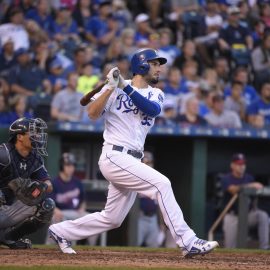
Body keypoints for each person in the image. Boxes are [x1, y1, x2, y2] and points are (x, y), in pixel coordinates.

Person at [48, 48, 218, 257]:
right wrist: (111, 88)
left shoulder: (157, 93)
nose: (159, 69)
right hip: (114, 155)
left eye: (159, 65)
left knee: (112, 218)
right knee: (161, 184)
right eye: (154, 64)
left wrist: (123, 88)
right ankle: (188, 241)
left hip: (133, 159)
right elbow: (91, 113)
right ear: (141, 65)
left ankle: (60, 230)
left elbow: (152, 110)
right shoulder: (116, 89)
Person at [0, 117, 55, 249]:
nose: (37, 135)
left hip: (9, 209)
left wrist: (40, 187)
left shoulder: (35, 158)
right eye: (33, 132)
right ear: (19, 136)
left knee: (47, 205)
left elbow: (49, 185)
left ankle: (9, 238)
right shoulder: (4, 153)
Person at [48, 152, 98, 245]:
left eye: (72, 165)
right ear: (62, 166)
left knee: (93, 220)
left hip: (75, 212)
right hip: (61, 212)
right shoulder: (54, 182)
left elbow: (83, 200)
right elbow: (49, 202)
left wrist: (82, 208)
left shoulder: (77, 182)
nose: (71, 168)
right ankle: (49, 245)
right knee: (55, 218)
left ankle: (91, 248)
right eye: (68, 165)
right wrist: (56, 210)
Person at [221, 153, 269, 249]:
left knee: (262, 216)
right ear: (232, 165)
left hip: (248, 215)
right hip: (232, 216)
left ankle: (264, 247)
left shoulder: (249, 178)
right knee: (230, 248)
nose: (241, 166)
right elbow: (233, 189)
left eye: (243, 164)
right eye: (238, 164)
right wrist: (251, 185)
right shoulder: (226, 178)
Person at [137, 151, 163, 248]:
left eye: (150, 162)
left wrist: (161, 223)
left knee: (154, 248)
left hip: (153, 218)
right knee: (135, 245)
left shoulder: (156, 179)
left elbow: (160, 204)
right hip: (139, 217)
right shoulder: (135, 178)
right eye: (145, 162)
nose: (148, 164)